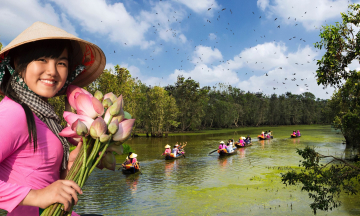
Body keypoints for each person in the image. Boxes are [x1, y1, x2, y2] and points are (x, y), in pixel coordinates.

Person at [0, 22, 106, 215]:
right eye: (41, 59)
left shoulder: (43, 115)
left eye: (61, 63)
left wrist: (76, 162)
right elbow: (41, 191)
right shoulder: (14, 112)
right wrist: (36, 196)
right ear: (17, 63)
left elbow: (43, 178)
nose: (52, 71)